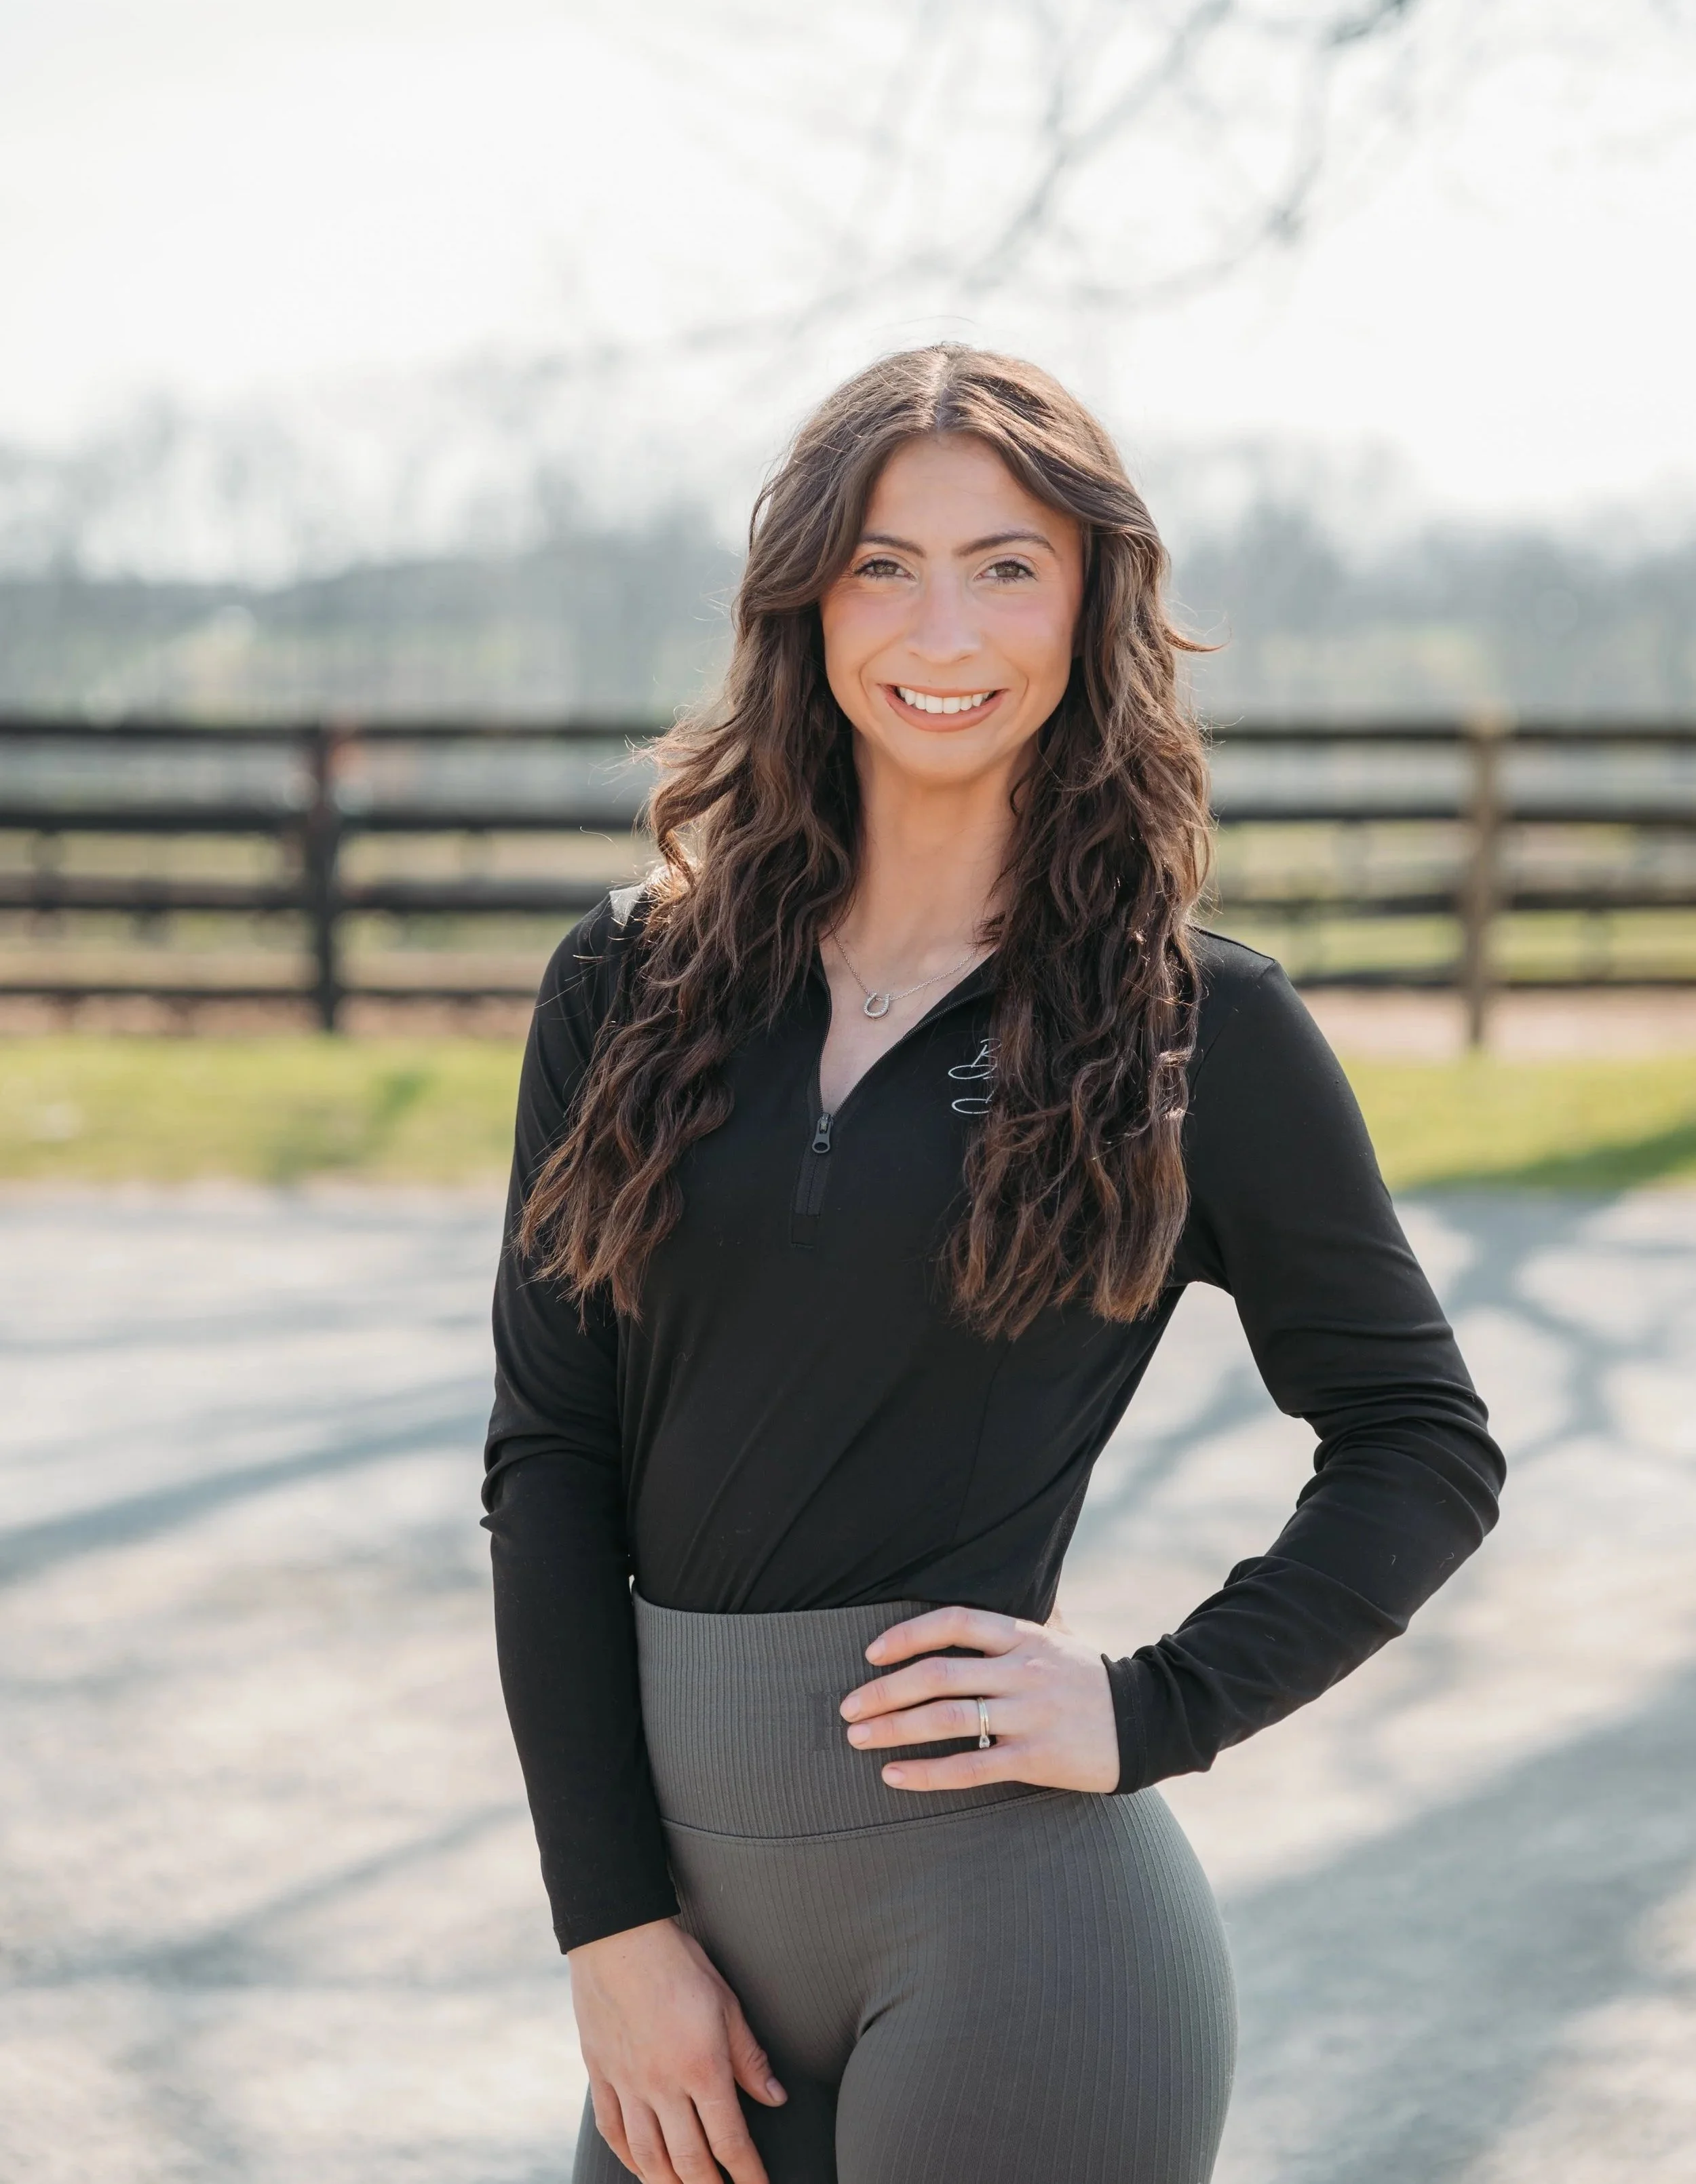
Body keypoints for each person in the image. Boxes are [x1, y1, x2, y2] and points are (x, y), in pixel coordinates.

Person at [482, 345, 1503, 2184]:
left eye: (1006, 562)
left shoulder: (1188, 1028)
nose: (939, 623)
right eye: (883, 562)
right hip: (683, 1943)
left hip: (1019, 1941)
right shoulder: (625, 990)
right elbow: (548, 1463)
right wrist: (607, 1929)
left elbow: (1418, 1438)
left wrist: (1148, 1703)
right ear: (802, 600)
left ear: (1089, 603)